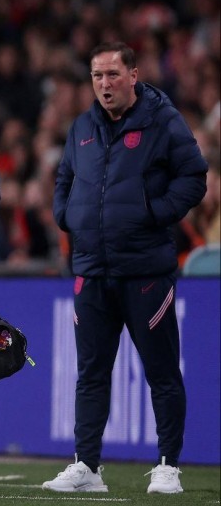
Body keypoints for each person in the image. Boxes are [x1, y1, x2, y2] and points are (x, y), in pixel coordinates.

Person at [44, 42, 207, 495]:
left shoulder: (163, 121)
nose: (104, 84)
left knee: (161, 372)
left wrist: (154, 212)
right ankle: (87, 467)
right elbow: (64, 179)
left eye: (113, 74)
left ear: (133, 75)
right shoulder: (82, 127)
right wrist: (66, 216)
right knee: (91, 373)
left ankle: (168, 465)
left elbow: (194, 176)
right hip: (91, 271)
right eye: (97, 76)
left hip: (145, 273)